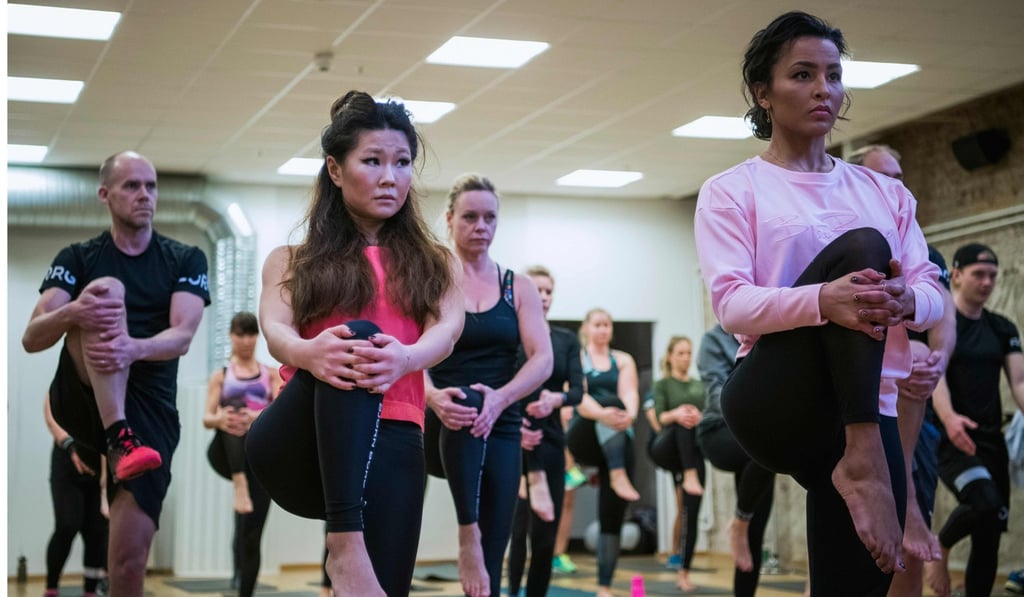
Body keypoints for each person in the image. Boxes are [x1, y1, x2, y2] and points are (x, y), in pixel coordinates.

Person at [693, 11, 946, 595]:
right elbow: (732, 304)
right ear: (764, 93)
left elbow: (934, 295)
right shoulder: (733, 190)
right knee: (863, 247)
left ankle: (859, 458)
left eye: (832, 75)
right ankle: (861, 456)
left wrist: (906, 299)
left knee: (857, 582)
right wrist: (822, 300)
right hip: (777, 391)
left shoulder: (886, 191)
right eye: (803, 75)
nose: (823, 90)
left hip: (868, 402)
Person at [244, 91, 464, 597]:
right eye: (372, 161)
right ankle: (343, 540)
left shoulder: (436, 263)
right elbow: (275, 330)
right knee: (358, 339)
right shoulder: (290, 259)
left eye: (403, 162)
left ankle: (351, 549)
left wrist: (407, 357)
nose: (391, 177)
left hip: (395, 437)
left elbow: (447, 333)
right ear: (335, 170)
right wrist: (309, 353)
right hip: (303, 440)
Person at [23, 150, 211, 595]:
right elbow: (32, 338)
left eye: (151, 186)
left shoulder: (185, 258)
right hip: (83, 400)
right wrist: (75, 309)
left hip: (150, 411)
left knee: (127, 563)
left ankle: (124, 437)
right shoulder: (77, 256)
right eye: (132, 186)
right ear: (105, 194)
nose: (145, 195)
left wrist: (131, 349)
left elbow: (182, 336)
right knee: (106, 291)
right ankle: (116, 432)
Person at [424, 173, 553, 597]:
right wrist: (431, 396)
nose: (481, 226)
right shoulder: (430, 280)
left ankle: (480, 545)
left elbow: (542, 359)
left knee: (495, 549)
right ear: (450, 219)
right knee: (470, 397)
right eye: (470, 217)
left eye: (490, 218)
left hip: (500, 419)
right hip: (442, 418)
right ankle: (466, 531)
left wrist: (502, 398)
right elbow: (406, 353)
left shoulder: (519, 287)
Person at [847, 143, 957, 597]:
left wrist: (937, 362)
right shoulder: (846, 242)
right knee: (848, 539)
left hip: (907, 409)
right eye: (883, 176)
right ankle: (903, 497)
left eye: (899, 175)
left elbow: (942, 313)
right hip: (855, 400)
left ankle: (909, 497)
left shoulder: (918, 246)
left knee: (904, 543)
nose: (896, 184)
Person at [930, 243, 1024, 597]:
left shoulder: (1002, 328)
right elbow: (934, 374)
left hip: (990, 441)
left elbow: (1018, 381)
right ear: (956, 275)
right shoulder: (941, 324)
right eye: (978, 274)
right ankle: (939, 546)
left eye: (993, 276)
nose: (987, 282)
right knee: (984, 502)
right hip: (951, 438)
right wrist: (950, 418)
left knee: (990, 530)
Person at [507, 266, 585, 597]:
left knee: (545, 534)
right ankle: (512, 592)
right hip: (515, 437)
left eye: (549, 291)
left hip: (551, 439)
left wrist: (557, 399)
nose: (544, 296)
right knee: (518, 528)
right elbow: (500, 385)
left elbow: (578, 392)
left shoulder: (565, 340)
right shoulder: (509, 335)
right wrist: (516, 423)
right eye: (537, 290)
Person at [204, 311, 282, 597]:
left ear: (256, 337)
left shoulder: (270, 374)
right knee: (231, 417)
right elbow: (206, 417)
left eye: (251, 334)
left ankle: (244, 588)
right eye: (240, 334)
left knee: (250, 532)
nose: (245, 340)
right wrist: (223, 418)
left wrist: (255, 417)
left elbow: (279, 413)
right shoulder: (221, 375)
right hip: (225, 453)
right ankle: (239, 482)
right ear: (231, 336)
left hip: (257, 459)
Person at [695, 323, 776, 597]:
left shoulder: (769, 335)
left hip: (762, 439)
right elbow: (716, 391)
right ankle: (739, 521)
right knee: (769, 448)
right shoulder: (713, 341)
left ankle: (742, 525)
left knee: (754, 532)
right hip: (719, 430)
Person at [565, 308, 641, 597]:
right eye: (597, 324)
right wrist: (605, 414)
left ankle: (604, 586)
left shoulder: (622, 360)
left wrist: (629, 416)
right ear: (586, 328)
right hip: (584, 434)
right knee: (610, 399)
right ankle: (618, 474)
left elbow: (630, 394)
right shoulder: (578, 358)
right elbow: (580, 399)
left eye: (607, 324)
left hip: (617, 438)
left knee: (612, 515)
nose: (603, 329)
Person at [648, 335, 705, 592]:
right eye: (680, 353)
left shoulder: (698, 385)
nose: (685, 358)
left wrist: (697, 415)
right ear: (670, 356)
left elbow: (708, 417)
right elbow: (660, 418)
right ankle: (689, 473)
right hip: (666, 446)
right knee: (682, 420)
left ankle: (684, 571)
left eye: (688, 353)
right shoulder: (662, 384)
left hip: (692, 451)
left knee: (690, 512)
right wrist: (679, 413)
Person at [43, 395, 109, 597]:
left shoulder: (104, 382)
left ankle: (90, 590)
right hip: (67, 465)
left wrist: (105, 489)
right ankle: (51, 587)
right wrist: (71, 446)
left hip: (96, 465)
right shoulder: (61, 381)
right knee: (67, 525)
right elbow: (51, 416)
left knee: (96, 530)